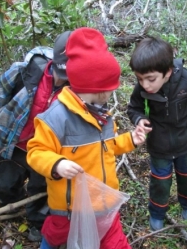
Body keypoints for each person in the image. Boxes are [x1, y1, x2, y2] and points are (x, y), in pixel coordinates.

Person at [26, 27, 146, 249]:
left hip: (105, 204)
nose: (111, 94)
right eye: (110, 89)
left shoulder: (102, 113)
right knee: (55, 238)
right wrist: (57, 164)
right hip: (69, 210)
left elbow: (108, 146)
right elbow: (36, 152)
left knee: (116, 243)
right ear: (98, 89)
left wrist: (131, 140)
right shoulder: (56, 118)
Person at [0, 30, 72, 242]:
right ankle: (15, 204)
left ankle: (37, 222)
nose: (62, 80)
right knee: (1, 182)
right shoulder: (26, 71)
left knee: (41, 190)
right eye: (60, 72)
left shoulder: (78, 89)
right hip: (12, 142)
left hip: (46, 150)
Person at [127, 36, 187, 231]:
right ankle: (157, 213)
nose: (146, 85)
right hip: (159, 145)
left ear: (168, 72)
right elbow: (133, 108)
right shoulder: (141, 89)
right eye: (140, 79)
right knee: (160, 183)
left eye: (151, 79)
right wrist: (139, 120)